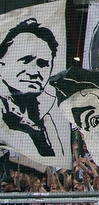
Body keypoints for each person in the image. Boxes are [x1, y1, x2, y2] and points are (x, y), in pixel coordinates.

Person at [0, 18, 71, 171]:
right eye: (25, 60)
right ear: (1, 65)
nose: (35, 72)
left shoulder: (48, 117)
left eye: (43, 64)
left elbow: (58, 162)